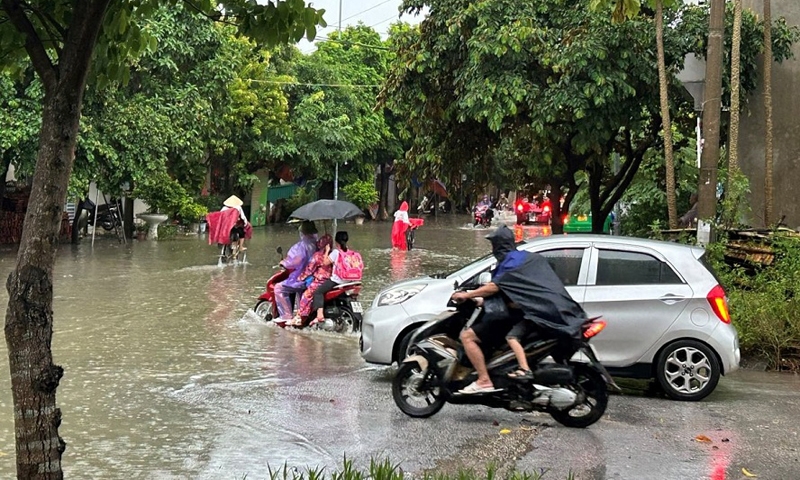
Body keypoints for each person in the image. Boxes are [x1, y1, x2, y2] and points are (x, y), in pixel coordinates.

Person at [450, 225, 587, 394]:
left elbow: (495, 287)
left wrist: (468, 295)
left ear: (498, 245)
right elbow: (512, 292)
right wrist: (481, 300)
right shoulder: (526, 258)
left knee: (467, 336)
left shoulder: (511, 263)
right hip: (535, 311)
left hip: (531, 315)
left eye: (494, 245)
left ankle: (484, 380)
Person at [273, 221, 318, 324]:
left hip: (301, 277)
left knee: (279, 288)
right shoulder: (317, 244)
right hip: (314, 277)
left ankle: (286, 315)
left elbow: (295, 261)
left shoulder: (301, 246)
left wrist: (284, 262)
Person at [309, 231, 355, 325]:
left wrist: (326, 250)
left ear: (336, 241)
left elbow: (325, 263)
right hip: (349, 280)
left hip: (337, 280)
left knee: (318, 292)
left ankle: (320, 315)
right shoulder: (350, 252)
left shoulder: (336, 252)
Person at [290, 234, 334, 327]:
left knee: (306, 295)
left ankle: (300, 317)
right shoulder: (333, 253)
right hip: (332, 280)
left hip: (321, 280)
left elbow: (309, 269)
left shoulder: (318, 255)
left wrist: (300, 277)